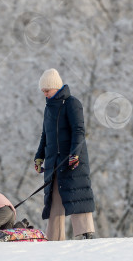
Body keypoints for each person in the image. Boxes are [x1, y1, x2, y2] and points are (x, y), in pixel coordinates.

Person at [34, 68, 96, 241]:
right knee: (54, 200)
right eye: (43, 91)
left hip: (72, 160)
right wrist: (39, 157)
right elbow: (45, 135)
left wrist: (74, 154)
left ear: (56, 87)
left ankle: (85, 233)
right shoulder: (48, 109)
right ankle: (54, 239)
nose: (45, 94)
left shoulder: (71, 103)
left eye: (47, 90)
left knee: (77, 192)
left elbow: (78, 130)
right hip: (54, 162)